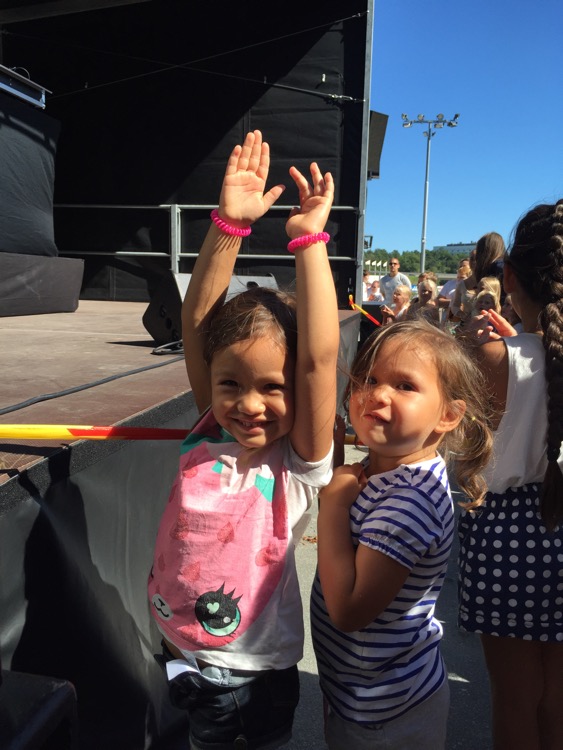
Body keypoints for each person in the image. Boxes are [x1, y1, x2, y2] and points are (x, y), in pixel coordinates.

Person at [148, 130, 339, 750]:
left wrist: (308, 241)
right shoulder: (211, 426)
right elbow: (196, 323)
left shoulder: (295, 464)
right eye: (231, 383)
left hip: (247, 676)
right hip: (179, 648)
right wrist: (228, 226)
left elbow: (318, 361)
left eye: (272, 388)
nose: (248, 404)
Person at [311, 319, 494, 750]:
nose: (377, 394)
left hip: (384, 712)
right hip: (364, 691)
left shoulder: (410, 501)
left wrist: (333, 507)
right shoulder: (387, 470)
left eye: (404, 385)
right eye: (369, 379)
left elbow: (349, 611)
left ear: (448, 415)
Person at [457, 199, 563, 750]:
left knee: (514, 699)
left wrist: (490, 347)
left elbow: (461, 457)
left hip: (507, 539)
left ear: (512, 279)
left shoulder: (494, 359)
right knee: (558, 701)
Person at [450, 232, 505, 322]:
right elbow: (454, 305)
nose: (475, 261)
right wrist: (463, 316)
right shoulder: (502, 266)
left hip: (490, 320)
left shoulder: (496, 268)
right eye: (471, 259)